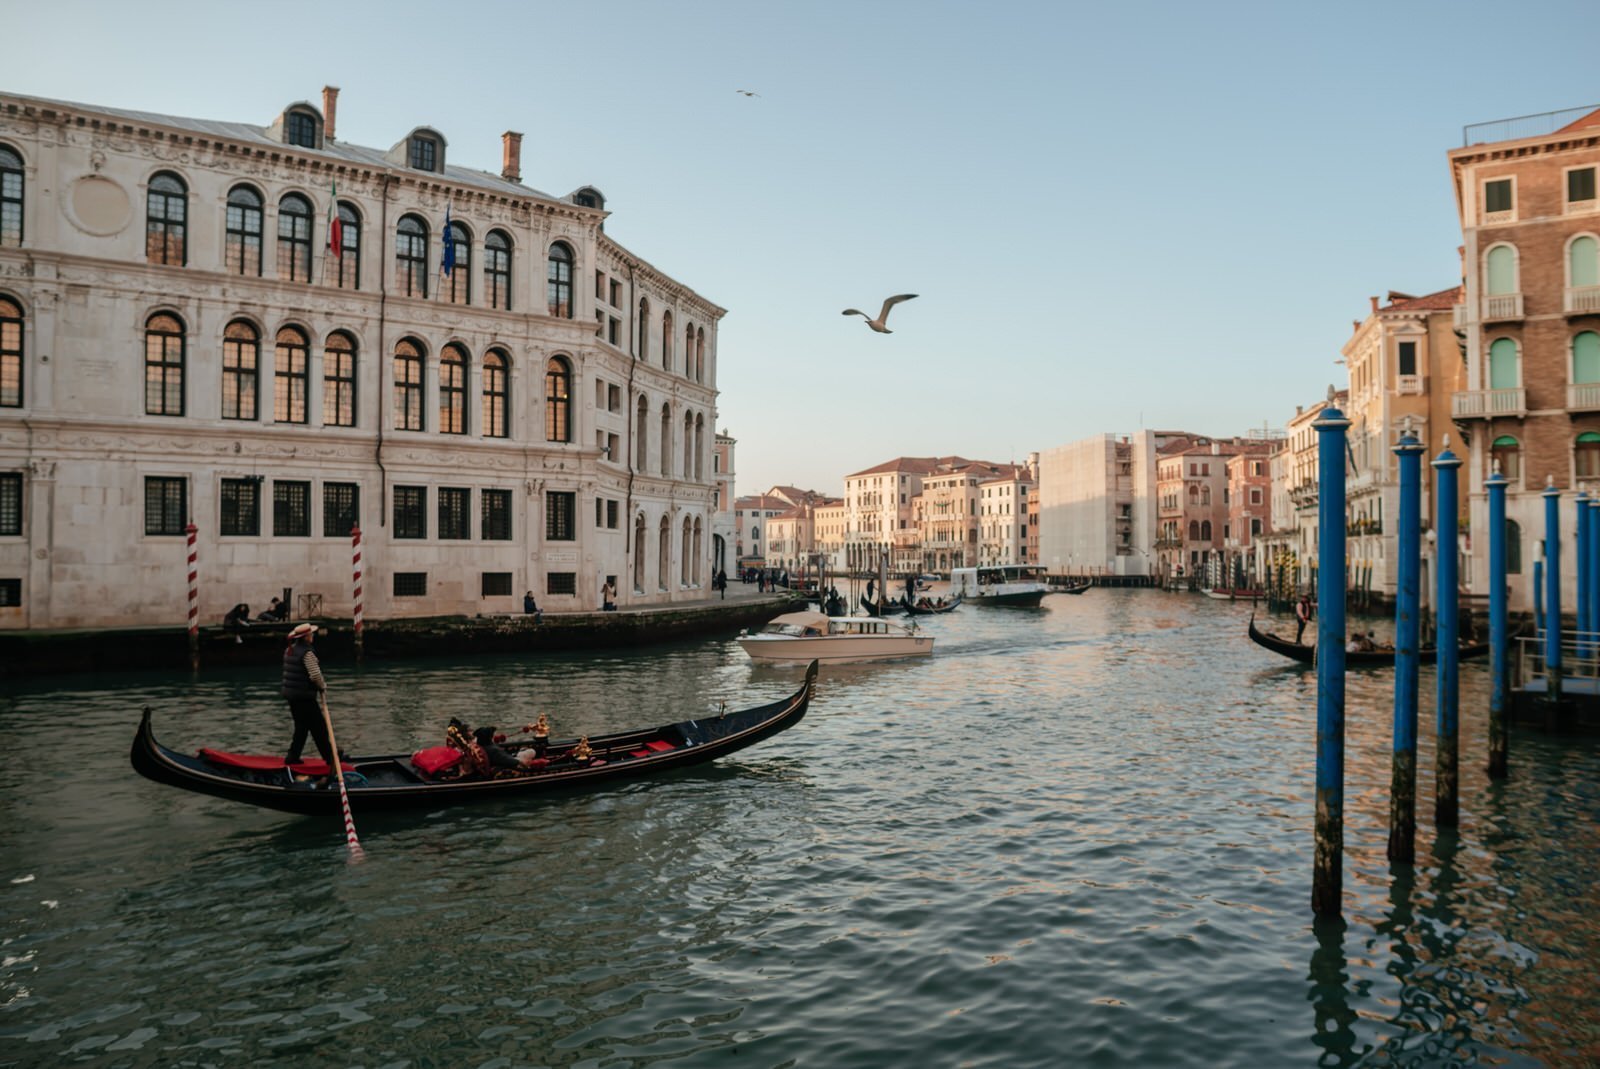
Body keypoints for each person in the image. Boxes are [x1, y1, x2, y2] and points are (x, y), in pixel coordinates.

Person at [281, 622, 335, 772]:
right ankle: (330, 757)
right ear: (306, 637)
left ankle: (293, 756)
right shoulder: (307, 653)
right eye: (311, 634)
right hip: (304, 696)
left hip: (292, 696)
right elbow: (315, 674)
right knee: (319, 728)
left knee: (302, 727)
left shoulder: (289, 650)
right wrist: (322, 686)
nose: (313, 636)